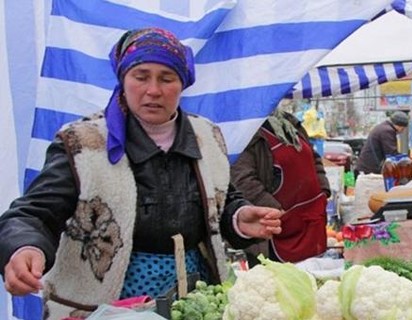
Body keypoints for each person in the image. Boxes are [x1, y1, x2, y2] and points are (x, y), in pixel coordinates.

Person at [0, 27, 282, 318]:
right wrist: (23, 248)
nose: (153, 90)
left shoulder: (206, 137)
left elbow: (220, 201)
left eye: (167, 78)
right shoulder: (82, 144)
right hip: (103, 308)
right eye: (141, 76)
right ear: (123, 80)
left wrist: (237, 217)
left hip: (191, 304)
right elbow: (32, 213)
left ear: (182, 83)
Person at [230, 108, 331, 265]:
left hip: (311, 222)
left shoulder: (289, 122)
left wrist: (323, 191)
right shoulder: (245, 131)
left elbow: (314, 157)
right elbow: (243, 181)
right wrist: (278, 212)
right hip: (277, 228)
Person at [355, 111, 409, 177]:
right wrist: (406, 160)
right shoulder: (387, 131)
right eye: (403, 128)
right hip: (368, 170)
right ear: (399, 125)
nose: (402, 131)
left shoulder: (383, 127)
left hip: (366, 168)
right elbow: (391, 153)